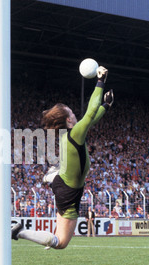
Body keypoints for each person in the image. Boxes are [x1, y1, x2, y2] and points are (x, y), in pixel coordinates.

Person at [12, 66, 113, 249]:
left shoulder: (70, 135)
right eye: (72, 113)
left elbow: (91, 119)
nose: (75, 114)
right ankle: (19, 231)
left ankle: (53, 175)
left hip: (66, 186)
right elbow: (90, 114)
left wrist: (105, 105)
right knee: (60, 243)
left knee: (58, 239)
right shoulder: (74, 134)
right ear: (68, 120)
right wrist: (100, 82)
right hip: (68, 191)